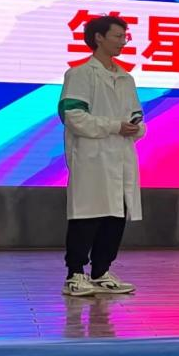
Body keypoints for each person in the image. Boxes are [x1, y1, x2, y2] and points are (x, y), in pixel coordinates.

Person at [58, 15, 145, 296]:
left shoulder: (126, 78)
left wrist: (135, 128)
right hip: (92, 158)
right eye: (118, 36)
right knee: (87, 215)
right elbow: (73, 116)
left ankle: (101, 272)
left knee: (115, 215)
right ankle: (75, 274)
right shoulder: (80, 74)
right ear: (98, 38)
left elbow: (137, 116)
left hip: (121, 155)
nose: (123, 42)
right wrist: (114, 126)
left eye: (124, 37)